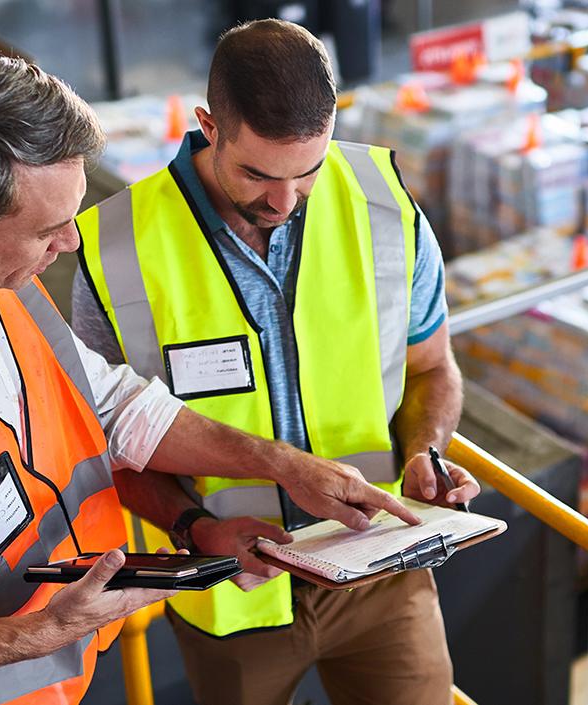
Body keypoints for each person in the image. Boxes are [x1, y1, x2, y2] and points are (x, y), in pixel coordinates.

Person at [0, 52, 417, 705]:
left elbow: (113, 404)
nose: (70, 243)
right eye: (49, 229)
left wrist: (282, 465)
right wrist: (49, 629)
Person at [71, 19, 479, 705]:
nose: (285, 202)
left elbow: (433, 368)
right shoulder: (115, 249)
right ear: (209, 126)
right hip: (231, 594)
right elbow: (101, 443)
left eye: (307, 172)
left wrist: (424, 453)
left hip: (382, 565)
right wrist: (193, 528)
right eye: (256, 174)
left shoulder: (385, 205)